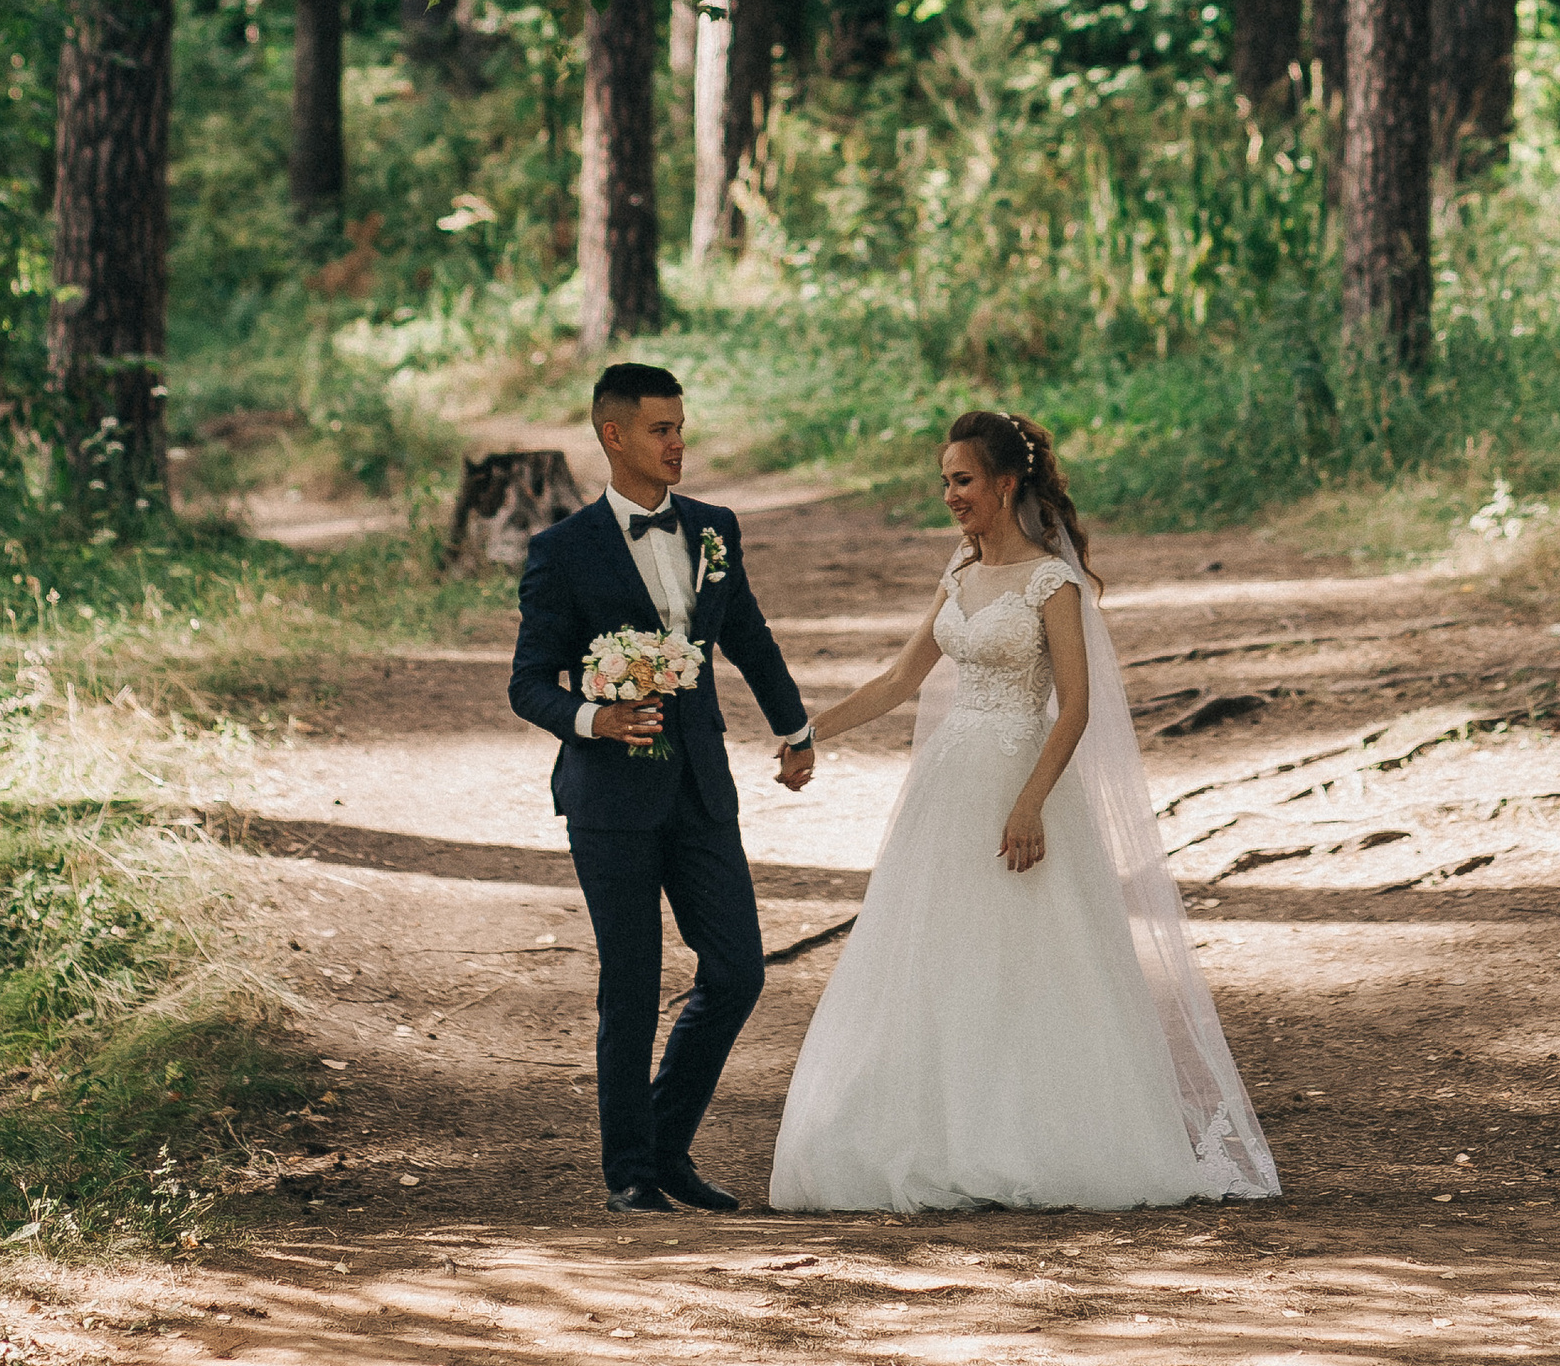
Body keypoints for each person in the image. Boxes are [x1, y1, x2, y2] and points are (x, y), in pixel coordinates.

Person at [769, 407, 1280, 1216]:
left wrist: (1031, 801)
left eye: (962, 480)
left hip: (1021, 778)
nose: (949, 495)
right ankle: (937, 1130)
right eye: (943, 481)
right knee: (941, 954)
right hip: (948, 790)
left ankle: (1040, 1133)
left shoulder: (1052, 581)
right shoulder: (960, 574)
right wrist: (807, 732)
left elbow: (1074, 706)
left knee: (1030, 959)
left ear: (1007, 484)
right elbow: (900, 682)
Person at [509, 362, 816, 1216]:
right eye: (660, 429)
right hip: (608, 799)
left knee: (737, 969)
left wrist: (793, 729)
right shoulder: (561, 552)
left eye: (681, 427)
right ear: (614, 436)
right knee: (633, 981)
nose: (678, 443)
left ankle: (667, 1145)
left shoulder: (715, 529)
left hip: (701, 788)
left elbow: (747, 636)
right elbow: (528, 682)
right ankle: (631, 1174)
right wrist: (594, 720)